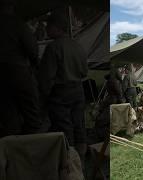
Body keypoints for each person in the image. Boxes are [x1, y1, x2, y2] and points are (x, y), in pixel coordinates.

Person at [37, 12, 88, 158]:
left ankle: (70, 162)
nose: (47, 29)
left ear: (58, 27)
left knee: (64, 128)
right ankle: (81, 160)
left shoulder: (53, 47)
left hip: (60, 92)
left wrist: (44, 96)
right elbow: (84, 72)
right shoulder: (77, 46)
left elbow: (46, 77)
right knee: (79, 125)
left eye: (49, 26)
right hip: (78, 89)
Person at [0, 0, 42, 137]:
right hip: (19, 74)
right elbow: (32, 51)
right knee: (32, 116)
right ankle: (30, 146)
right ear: (12, 6)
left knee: (8, 117)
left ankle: (11, 149)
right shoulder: (17, 24)